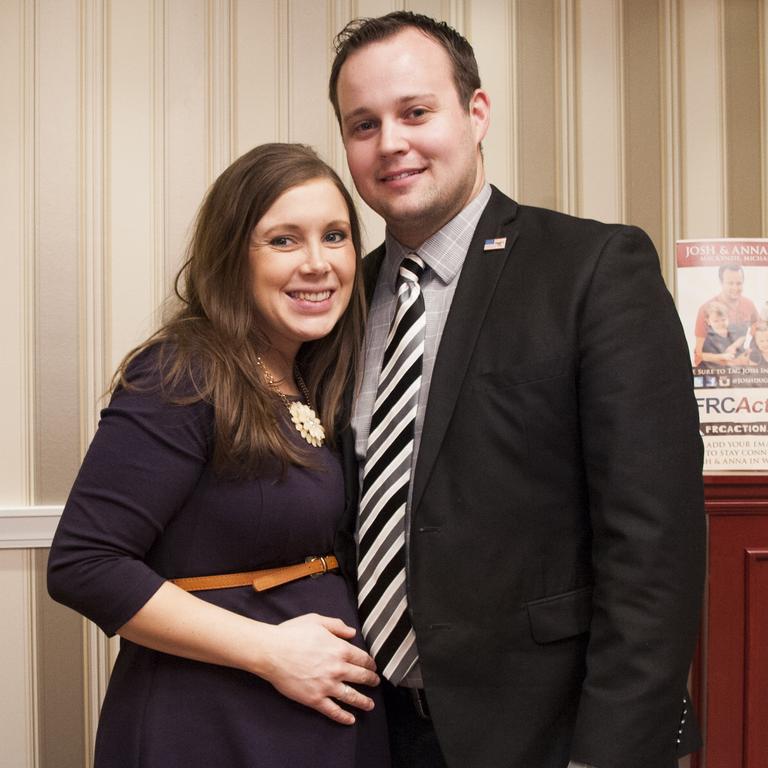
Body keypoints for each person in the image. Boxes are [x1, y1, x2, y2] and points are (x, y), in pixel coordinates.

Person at [329, 11, 705, 768]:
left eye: (415, 112)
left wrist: (611, 755)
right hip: (370, 731)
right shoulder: (341, 300)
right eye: (363, 124)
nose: (391, 143)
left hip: (547, 737)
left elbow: (654, 546)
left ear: (476, 114)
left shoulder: (593, 268)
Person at [47, 143, 389, 768]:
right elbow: (84, 562)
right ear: (233, 257)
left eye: (335, 236)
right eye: (284, 240)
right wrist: (270, 651)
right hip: (209, 724)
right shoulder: (185, 372)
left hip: (307, 727)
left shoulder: (310, 379)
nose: (318, 263)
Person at [693, 263, 758, 365]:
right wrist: (730, 361)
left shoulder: (749, 304)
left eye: (739, 283)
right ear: (721, 282)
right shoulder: (705, 309)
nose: (735, 288)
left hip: (744, 373)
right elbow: (698, 354)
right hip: (716, 371)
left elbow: (758, 337)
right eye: (730, 283)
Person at [699, 301, 748, 368]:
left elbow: (745, 336)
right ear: (708, 321)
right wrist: (722, 356)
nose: (721, 324)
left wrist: (734, 345)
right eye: (716, 321)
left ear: (728, 318)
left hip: (737, 366)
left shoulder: (734, 328)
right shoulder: (706, 337)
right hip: (716, 368)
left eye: (723, 320)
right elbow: (701, 355)